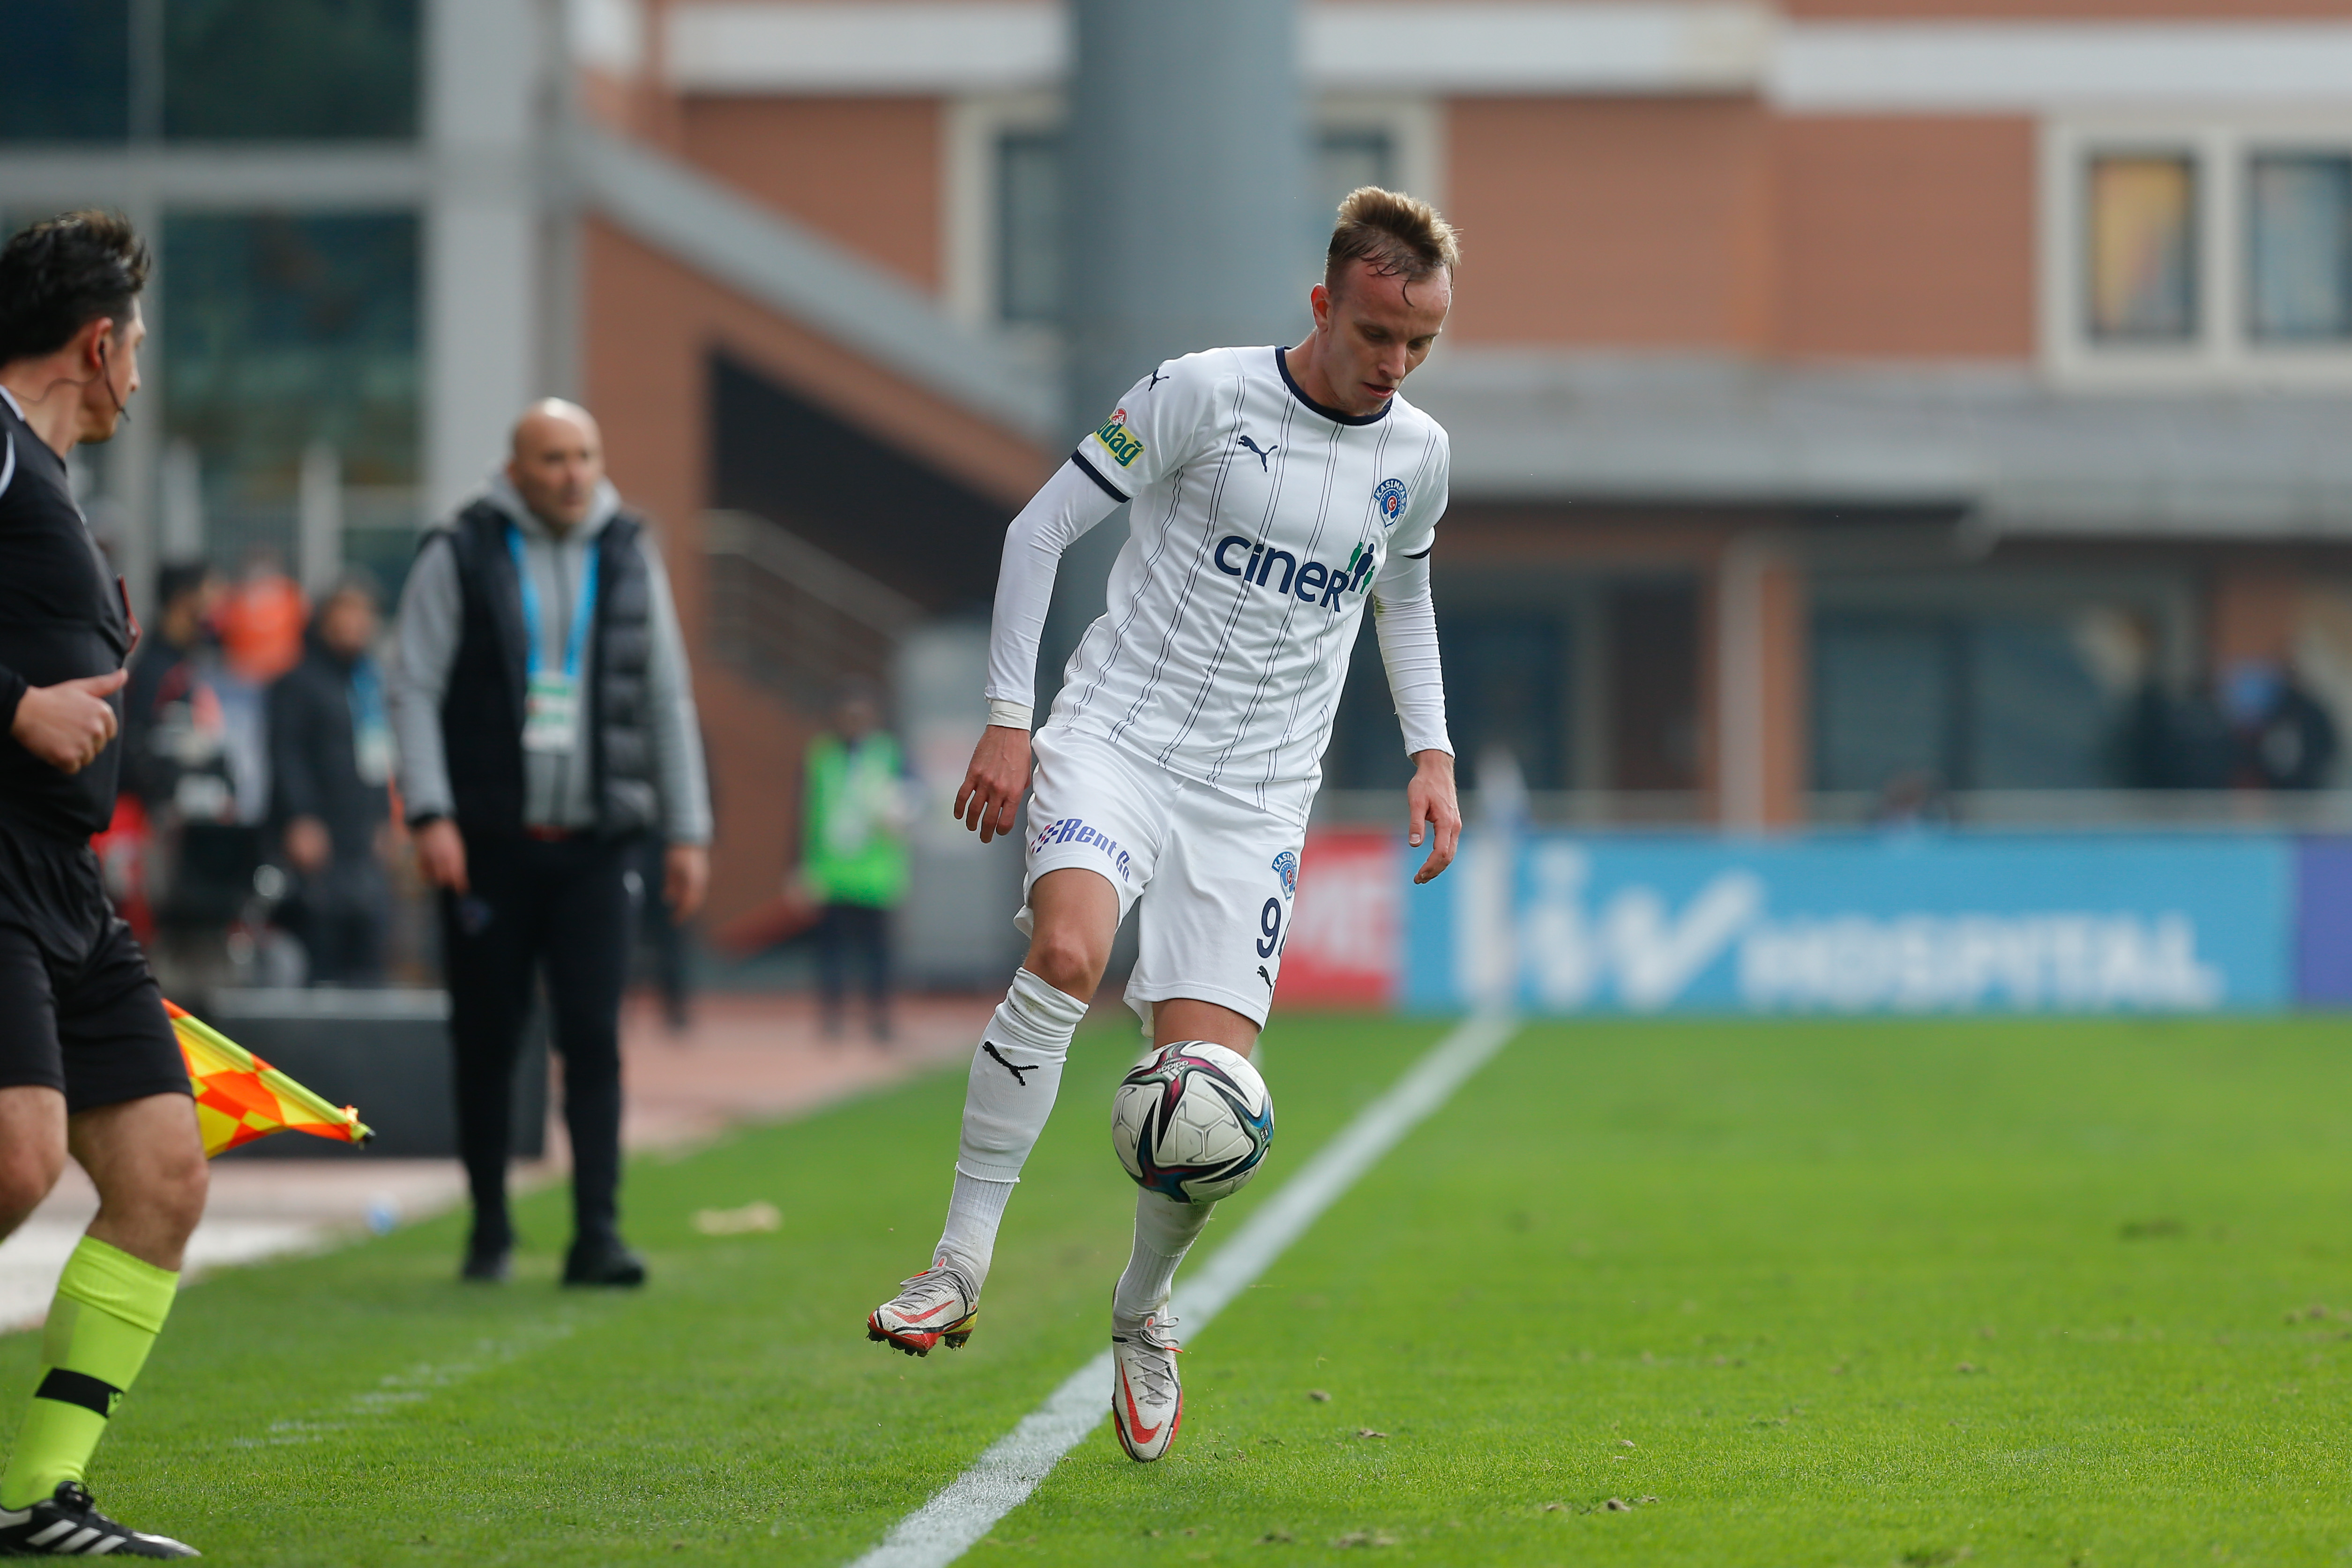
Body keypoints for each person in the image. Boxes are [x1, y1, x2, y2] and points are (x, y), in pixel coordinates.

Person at [864, 188, 1463, 1463]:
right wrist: (1009, 717)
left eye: (1419, 343)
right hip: (1117, 741)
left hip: (1257, 797)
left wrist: (1433, 752)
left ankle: (1142, 1309)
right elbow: (1040, 529)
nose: (1395, 364)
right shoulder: (1202, 394)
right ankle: (958, 1266)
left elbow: (1403, 599)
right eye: (1376, 334)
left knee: (1211, 1092)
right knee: (1067, 955)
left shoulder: (1418, 454)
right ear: (1324, 303)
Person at [388, 398, 713, 1287]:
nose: (573, 475)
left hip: (598, 849)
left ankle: (596, 1234)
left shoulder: (630, 550)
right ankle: (490, 1226)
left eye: (584, 455)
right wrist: (431, 813)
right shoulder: (460, 549)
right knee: (488, 1039)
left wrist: (688, 829)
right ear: (516, 470)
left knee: (594, 1037)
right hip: (487, 845)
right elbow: (412, 686)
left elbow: (667, 698)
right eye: (554, 459)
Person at [0, 211, 206, 1557]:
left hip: (65, 885)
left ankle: (39, 1493)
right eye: (134, 342)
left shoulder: (50, 480)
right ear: (97, 343)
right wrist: (16, 705)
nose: (139, 368)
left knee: (163, 1175)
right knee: (14, 1161)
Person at [267, 573, 394, 985]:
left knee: (369, 952)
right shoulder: (297, 682)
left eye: (365, 614)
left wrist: (384, 818)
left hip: (362, 842)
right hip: (319, 841)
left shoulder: (369, 686)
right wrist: (300, 817)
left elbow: (379, 758)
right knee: (320, 947)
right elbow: (286, 755)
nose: (357, 623)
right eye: (347, 612)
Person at [796, 682, 911, 1042]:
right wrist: (801, 867)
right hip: (831, 872)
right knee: (831, 952)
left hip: (876, 873)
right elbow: (805, 813)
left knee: (876, 954)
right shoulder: (821, 756)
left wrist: (900, 810)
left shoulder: (888, 754)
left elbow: (913, 796)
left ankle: (880, 1018)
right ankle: (832, 1017)